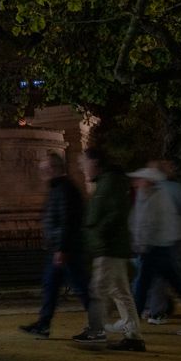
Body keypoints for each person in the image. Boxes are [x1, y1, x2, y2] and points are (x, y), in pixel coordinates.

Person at [72, 148, 143, 350]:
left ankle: (95, 331)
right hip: (111, 245)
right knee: (120, 293)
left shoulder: (110, 182)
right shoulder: (108, 182)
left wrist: (99, 235)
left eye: (83, 163)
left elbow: (115, 213)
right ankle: (133, 337)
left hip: (108, 247)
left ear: (94, 163)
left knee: (98, 290)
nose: (82, 168)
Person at [19, 152, 89, 338]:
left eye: (44, 169)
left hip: (66, 249)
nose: (42, 173)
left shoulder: (65, 189)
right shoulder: (58, 189)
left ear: (53, 169)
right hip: (58, 248)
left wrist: (62, 248)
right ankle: (43, 324)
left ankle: (97, 324)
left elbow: (68, 220)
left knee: (81, 287)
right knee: (50, 286)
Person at [128, 165, 181, 337]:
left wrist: (142, 242)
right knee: (171, 282)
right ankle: (144, 317)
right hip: (161, 245)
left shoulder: (162, 194)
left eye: (139, 179)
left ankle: (138, 320)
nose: (136, 182)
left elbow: (151, 222)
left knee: (169, 282)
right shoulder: (153, 193)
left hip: (166, 244)